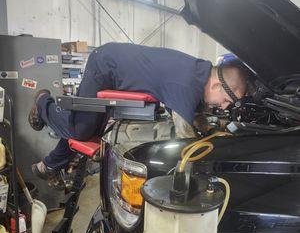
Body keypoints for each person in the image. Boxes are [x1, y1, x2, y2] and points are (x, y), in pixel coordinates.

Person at [28, 42, 248, 183]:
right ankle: (42, 103)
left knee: (90, 129)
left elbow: (189, 113)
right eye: (227, 100)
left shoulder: (199, 72)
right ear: (217, 85)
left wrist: (208, 127)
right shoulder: (187, 84)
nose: (224, 107)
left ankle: (48, 165)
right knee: (81, 129)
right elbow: (186, 141)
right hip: (106, 65)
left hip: (117, 65)